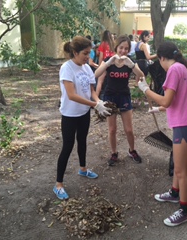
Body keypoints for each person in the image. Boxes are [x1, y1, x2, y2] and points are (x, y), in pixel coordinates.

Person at [137, 41, 187, 227]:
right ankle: (174, 193)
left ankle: (183, 210)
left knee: (181, 170)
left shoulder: (173, 70)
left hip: (185, 125)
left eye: (159, 61)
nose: (160, 65)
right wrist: (159, 109)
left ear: (162, 58)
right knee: (178, 163)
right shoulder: (183, 68)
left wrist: (146, 90)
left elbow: (168, 100)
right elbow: (179, 101)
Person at [53, 36, 111, 200]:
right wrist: (94, 105)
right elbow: (71, 95)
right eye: (85, 53)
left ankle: (83, 169)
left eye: (90, 53)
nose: (88, 57)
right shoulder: (67, 68)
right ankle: (58, 184)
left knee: (83, 141)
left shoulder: (86, 68)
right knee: (68, 146)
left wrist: (98, 101)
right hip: (70, 114)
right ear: (75, 52)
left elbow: (91, 90)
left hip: (84, 112)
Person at [95, 35, 145, 166]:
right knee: (112, 129)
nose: (123, 51)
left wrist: (132, 65)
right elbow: (95, 74)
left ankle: (132, 150)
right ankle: (114, 153)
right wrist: (108, 62)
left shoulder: (130, 61)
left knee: (129, 129)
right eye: (121, 48)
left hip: (124, 96)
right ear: (116, 47)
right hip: (110, 97)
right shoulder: (108, 60)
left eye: (126, 49)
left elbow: (141, 75)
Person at [96, 30, 115, 97]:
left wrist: (99, 66)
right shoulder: (113, 44)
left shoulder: (103, 44)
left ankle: (96, 98)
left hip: (105, 63)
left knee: (100, 82)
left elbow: (101, 57)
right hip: (112, 64)